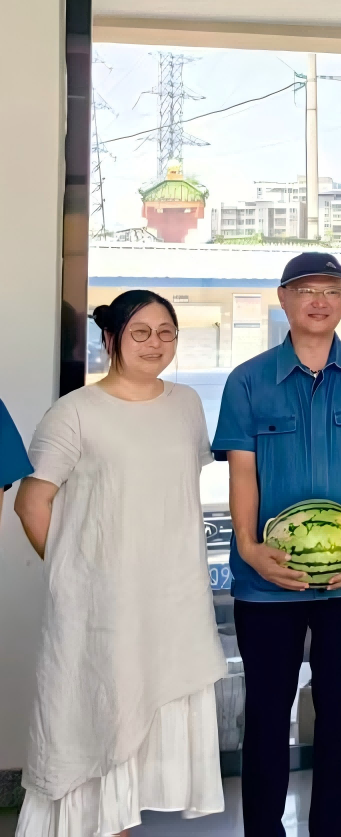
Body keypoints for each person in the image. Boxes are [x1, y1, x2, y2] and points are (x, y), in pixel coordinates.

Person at [14, 291, 227, 837]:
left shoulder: (186, 404)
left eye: (166, 332)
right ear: (110, 339)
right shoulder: (75, 411)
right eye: (140, 332)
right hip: (101, 607)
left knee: (144, 717)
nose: (155, 343)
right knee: (97, 720)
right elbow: (31, 502)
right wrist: (74, 575)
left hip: (173, 599)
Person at [214, 252, 341, 837]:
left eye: (331, 290)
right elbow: (242, 472)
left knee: (339, 710)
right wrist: (249, 547)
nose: (319, 301)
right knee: (267, 713)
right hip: (266, 579)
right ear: (284, 298)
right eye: (306, 290)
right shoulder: (248, 380)